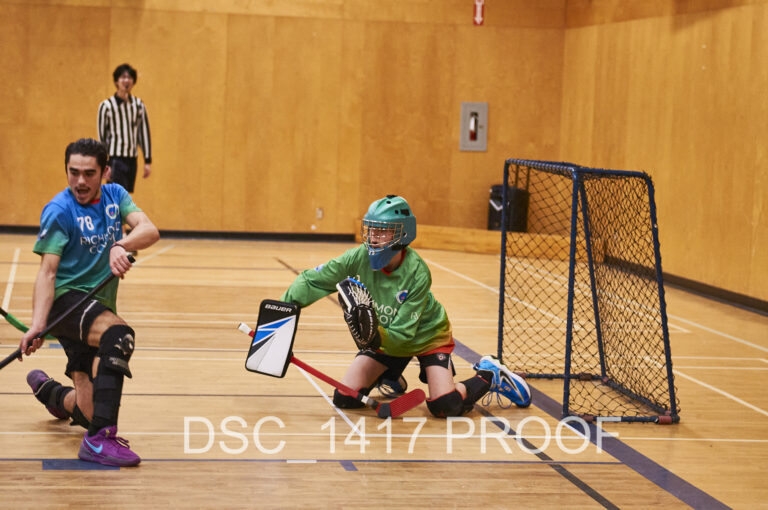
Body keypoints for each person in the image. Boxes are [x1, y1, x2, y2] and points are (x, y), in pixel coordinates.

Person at [279, 195, 531, 418]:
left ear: (403, 234)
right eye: (371, 230)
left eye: (382, 232)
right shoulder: (358, 257)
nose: (373, 238)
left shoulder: (418, 273)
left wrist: (372, 336)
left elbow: (402, 335)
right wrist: (280, 314)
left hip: (427, 337)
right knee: (346, 398)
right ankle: (390, 376)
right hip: (385, 338)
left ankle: (490, 374)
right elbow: (312, 281)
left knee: (446, 406)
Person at [20, 138, 160, 467]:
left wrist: (121, 245)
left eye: (89, 173)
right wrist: (38, 324)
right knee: (119, 335)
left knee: (88, 411)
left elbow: (149, 230)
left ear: (105, 172)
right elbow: (47, 273)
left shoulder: (115, 196)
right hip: (66, 302)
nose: (80, 181)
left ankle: (51, 393)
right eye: (74, 172)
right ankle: (99, 440)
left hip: (96, 306)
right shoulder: (59, 210)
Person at [97, 63, 152, 194]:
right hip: (115, 159)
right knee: (116, 195)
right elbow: (102, 136)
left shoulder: (138, 105)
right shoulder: (106, 106)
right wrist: (104, 163)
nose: (126, 80)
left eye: (129, 77)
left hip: (132, 159)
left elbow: (143, 133)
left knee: (125, 195)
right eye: (123, 77)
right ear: (116, 81)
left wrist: (147, 160)